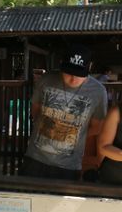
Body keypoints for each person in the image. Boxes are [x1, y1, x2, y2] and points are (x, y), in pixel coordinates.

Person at [21, 45, 108, 180]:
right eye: (68, 73)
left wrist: (74, 134)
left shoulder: (98, 91)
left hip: (69, 165)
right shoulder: (46, 79)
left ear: (89, 68)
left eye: (79, 75)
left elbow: (97, 127)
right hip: (35, 157)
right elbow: (35, 111)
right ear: (61, 65)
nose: (73, 79)